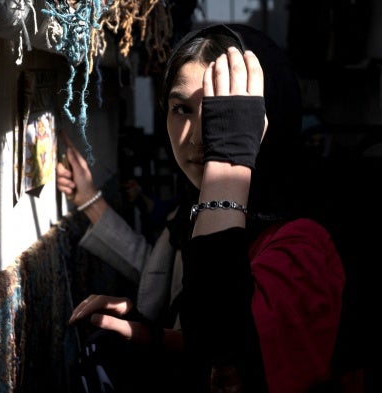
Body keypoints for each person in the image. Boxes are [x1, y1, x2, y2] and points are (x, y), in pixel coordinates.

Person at [58, 23, 347, 393]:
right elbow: (176, 282)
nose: (196, 136)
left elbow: (226, 353)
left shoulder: (302, 249)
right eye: (181, 109)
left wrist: (228, 162)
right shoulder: (191, 213)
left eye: (222, 114)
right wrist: (149, 331)